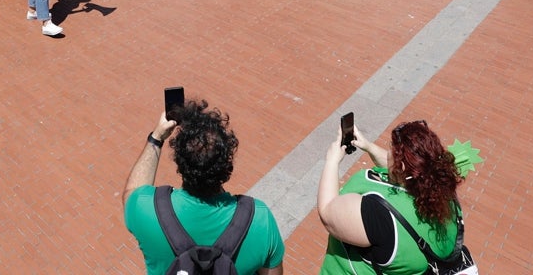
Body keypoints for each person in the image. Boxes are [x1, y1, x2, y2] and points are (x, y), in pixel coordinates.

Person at [123, 100, 284, 275]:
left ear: (180, 162)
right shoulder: (260, 219)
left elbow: (130, 192)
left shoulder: (147, 209)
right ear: (226, 165)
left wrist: (157, 138)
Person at [318, 119, 464, 275]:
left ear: (401, 167)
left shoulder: (380, 214)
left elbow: (327, 211)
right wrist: (368, 146)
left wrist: (332, 161)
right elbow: (403, 170)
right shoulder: (445, 194)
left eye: (391, 149)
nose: (388, 153)